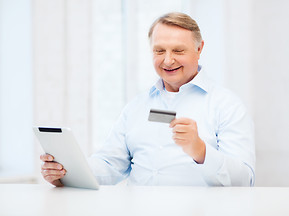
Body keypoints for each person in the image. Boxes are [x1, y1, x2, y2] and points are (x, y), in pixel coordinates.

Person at [40, 12, 255, 187]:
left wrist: (201, 151)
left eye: (178, 50)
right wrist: (65, 173)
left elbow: (244, 180)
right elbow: (110, 165)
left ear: (199, 49)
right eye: (159, 51)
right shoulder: (137, 106)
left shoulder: (226, 105)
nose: (168, 60)